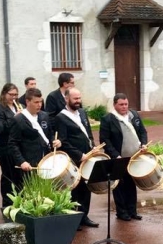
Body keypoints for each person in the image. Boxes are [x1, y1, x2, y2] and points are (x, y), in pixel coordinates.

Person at [99, 93, 148, 221]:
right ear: (114, 105)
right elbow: (105, 140)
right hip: (119, 158)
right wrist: (116, 155)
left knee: (132, 184)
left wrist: (143, 144)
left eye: (126, 104)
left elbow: (142, 131)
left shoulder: (134, 115)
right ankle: (122, 212)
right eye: (121, 104)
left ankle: (132, 211)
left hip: (134, 157)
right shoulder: (108, 119)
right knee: (119, 186)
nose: (124, 107)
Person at [56, 88, 99, 228]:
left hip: (88, 156)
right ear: (66, 99)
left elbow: (88, 132)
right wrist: (79, 155)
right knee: (74, 190)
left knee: (86, 187)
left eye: (79, 98)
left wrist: (92, 145)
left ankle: (84, 215)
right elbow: (64, 142)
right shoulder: (60, 117)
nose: (78, 101)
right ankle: (74, 219)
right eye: (75, 99)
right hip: (74, 159)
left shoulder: (82, 112)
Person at [9, 88, 61, 186]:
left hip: (46, 160)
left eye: (40, 101)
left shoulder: (45, 115)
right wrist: (21, 161)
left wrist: (55, 141)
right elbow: (13, 144)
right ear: (27, 101)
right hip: (30, 164)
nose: (39, 105)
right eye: (36, 102)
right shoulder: (18, 119)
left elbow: (50, 134)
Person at [0, 83, 22, 210]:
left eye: (16, 94)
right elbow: (0, 127)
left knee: (18, 176)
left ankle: (19, 201)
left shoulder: (20, 106)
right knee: (7, 176)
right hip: (4, 147)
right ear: (4, 94)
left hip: (17, 146)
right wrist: (15, 119)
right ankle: (7, 204)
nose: (14, 97)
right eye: (11, 95)